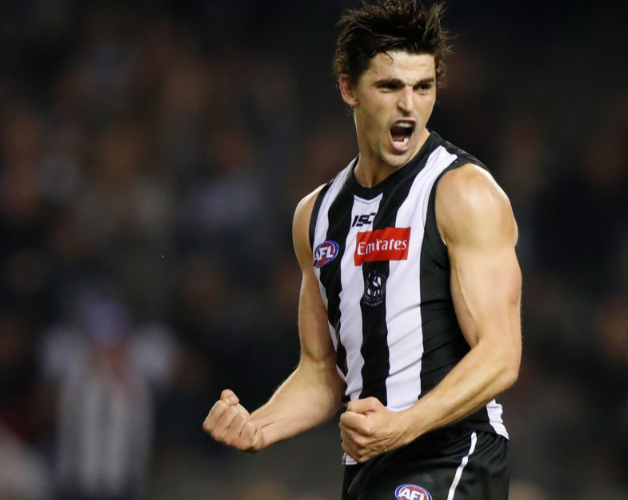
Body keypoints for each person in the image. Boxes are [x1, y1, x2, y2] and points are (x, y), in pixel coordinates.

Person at [203, 1, 522, 498]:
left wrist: (406, 422)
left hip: (455, 453)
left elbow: (501, 355)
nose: (409, 106)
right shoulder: (316, 216)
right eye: (390, 86)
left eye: (423, 87)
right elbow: (321, 373)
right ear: (349, 88)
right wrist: (259, 426)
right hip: (370, 465)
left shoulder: (463, 194)